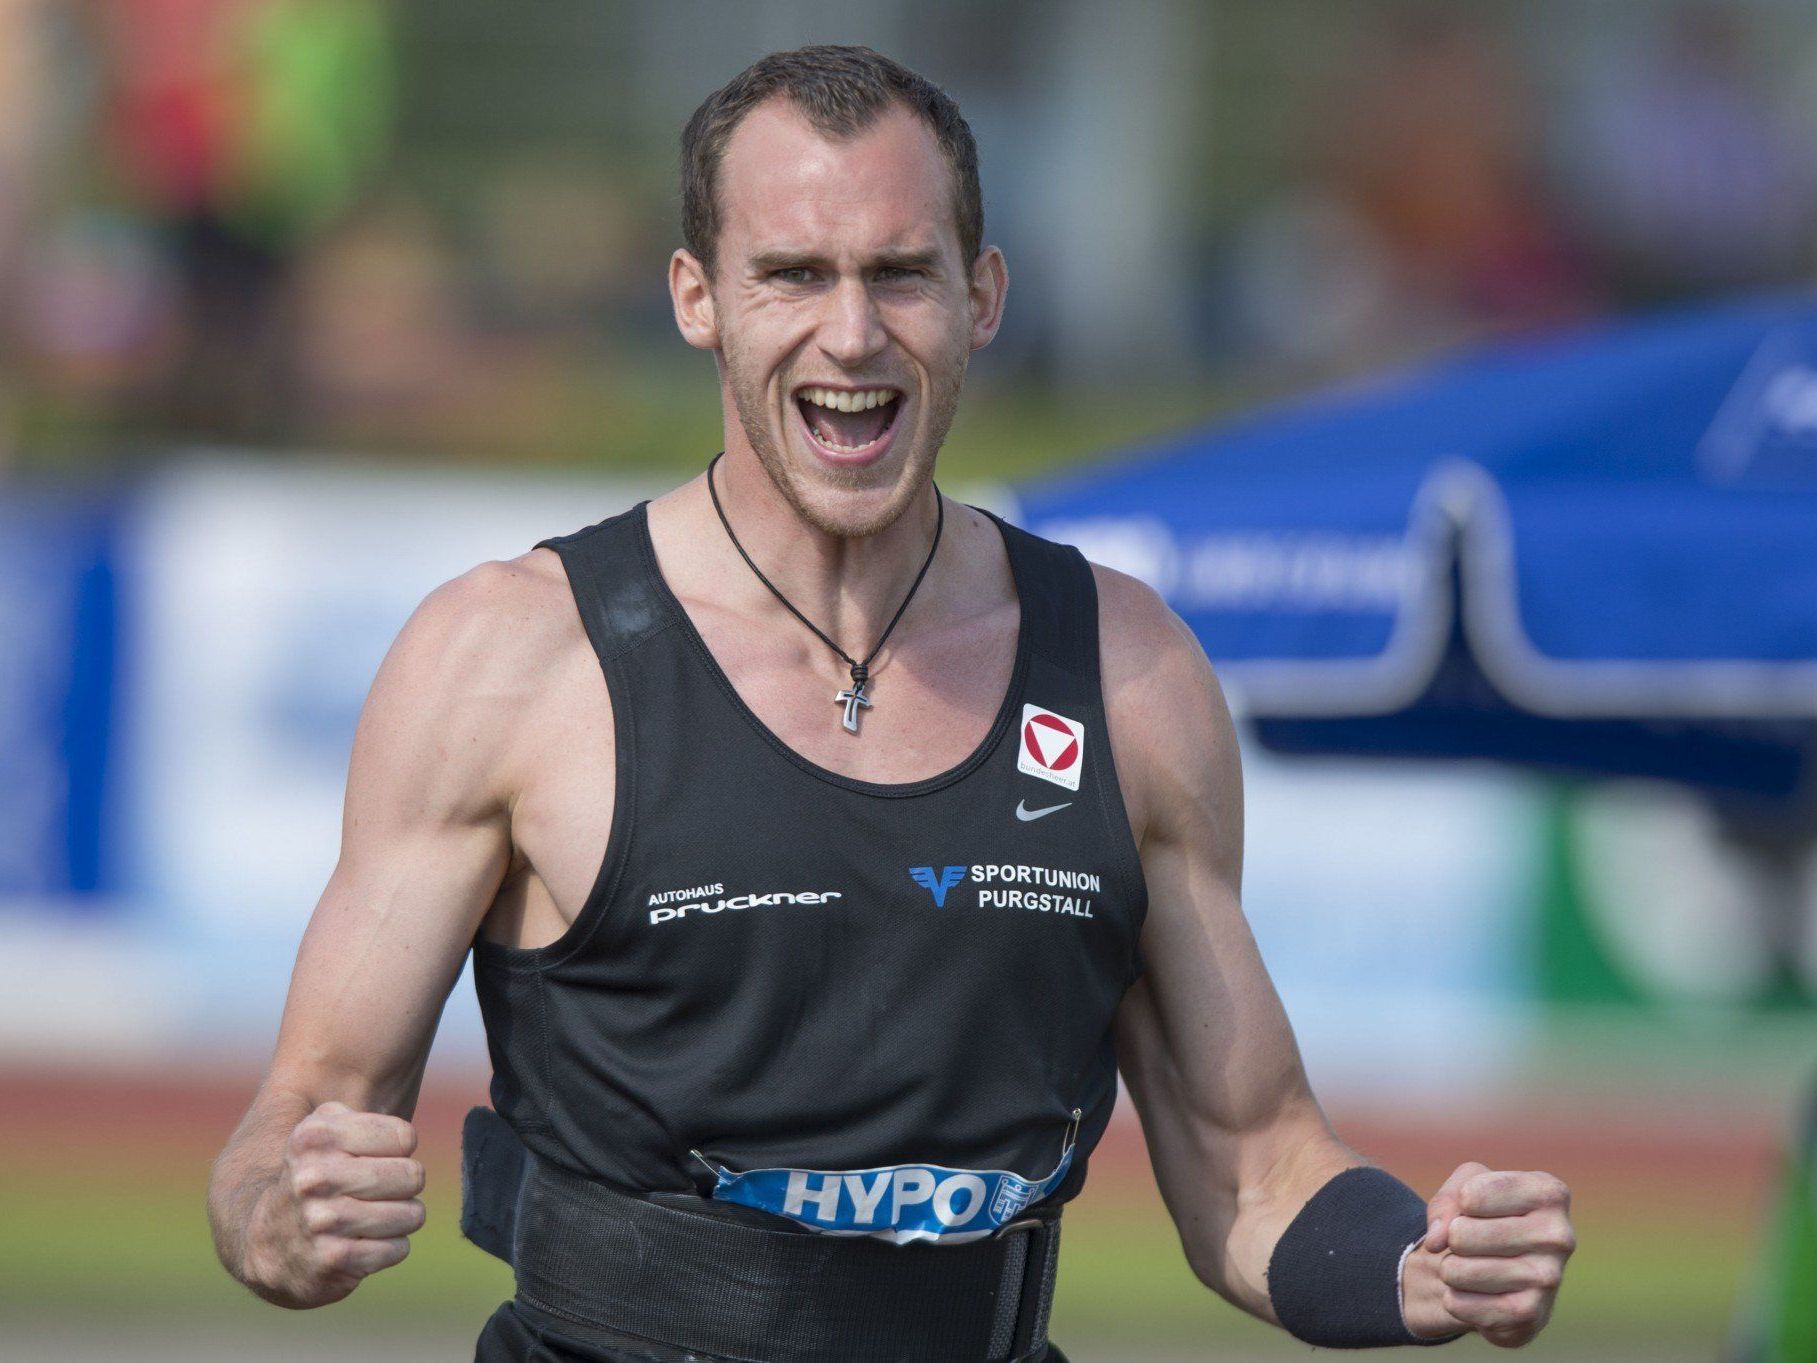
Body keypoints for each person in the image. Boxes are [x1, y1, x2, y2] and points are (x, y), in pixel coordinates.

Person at [206, 45, 1575, 1362]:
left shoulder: (1124, 669)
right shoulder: (507, 658)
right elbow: (298, 1129)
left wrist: (1414, 1263)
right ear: (697, 297)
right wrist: (289, 1213)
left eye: (900, 275)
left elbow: (1251, 1163)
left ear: (980, 296)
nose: (849, 336)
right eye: (793, 274)